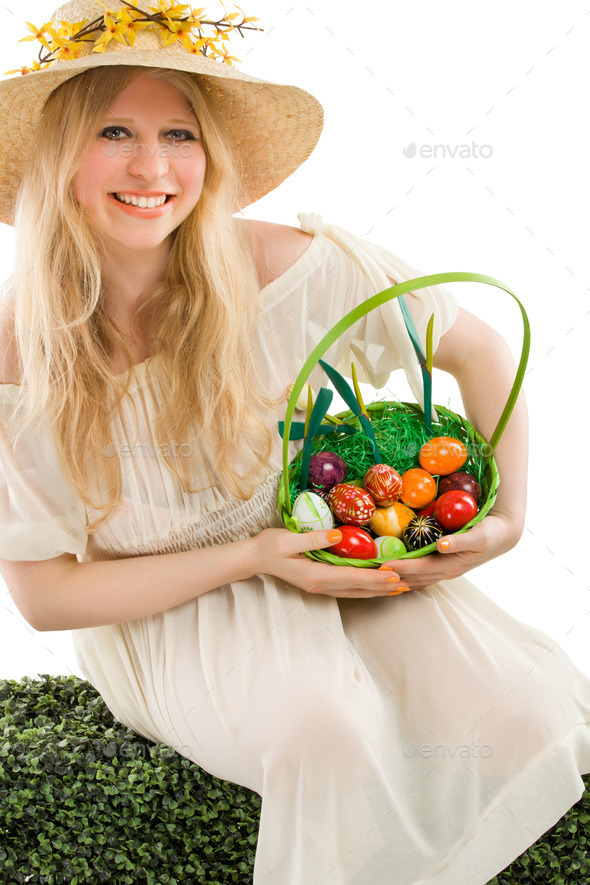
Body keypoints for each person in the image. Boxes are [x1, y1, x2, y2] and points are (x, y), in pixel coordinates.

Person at [1, 1, 590, 882]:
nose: (153, 165)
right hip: (167, 616)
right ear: (57, 154)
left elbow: (478, 346)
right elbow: (47, 595)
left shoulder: (291, 269)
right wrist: (258, 557)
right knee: (328, 737)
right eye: (113, 130)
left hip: (337, 568)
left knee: (524, 713)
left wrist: (507, 520)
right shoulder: (21, 345)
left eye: (181, 133)